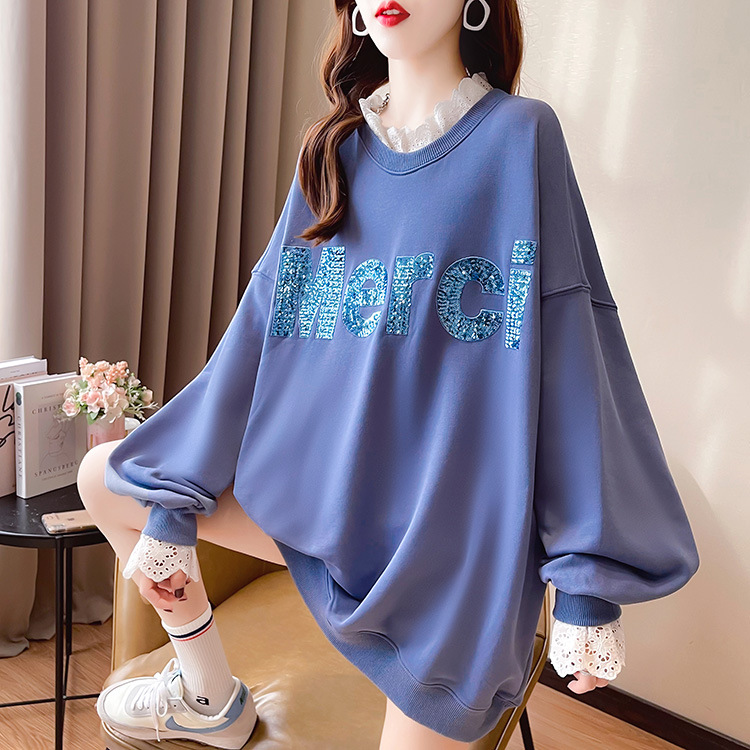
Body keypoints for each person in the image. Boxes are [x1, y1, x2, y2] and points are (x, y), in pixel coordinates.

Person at [77, 1, 700, 748]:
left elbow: (573, 359)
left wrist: (585, 585)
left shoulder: (519, 138)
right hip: (313, 513)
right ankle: (209, 696)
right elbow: (256, 336)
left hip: (441, 568)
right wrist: (176, 498)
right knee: (101, 478)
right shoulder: (332, 151)